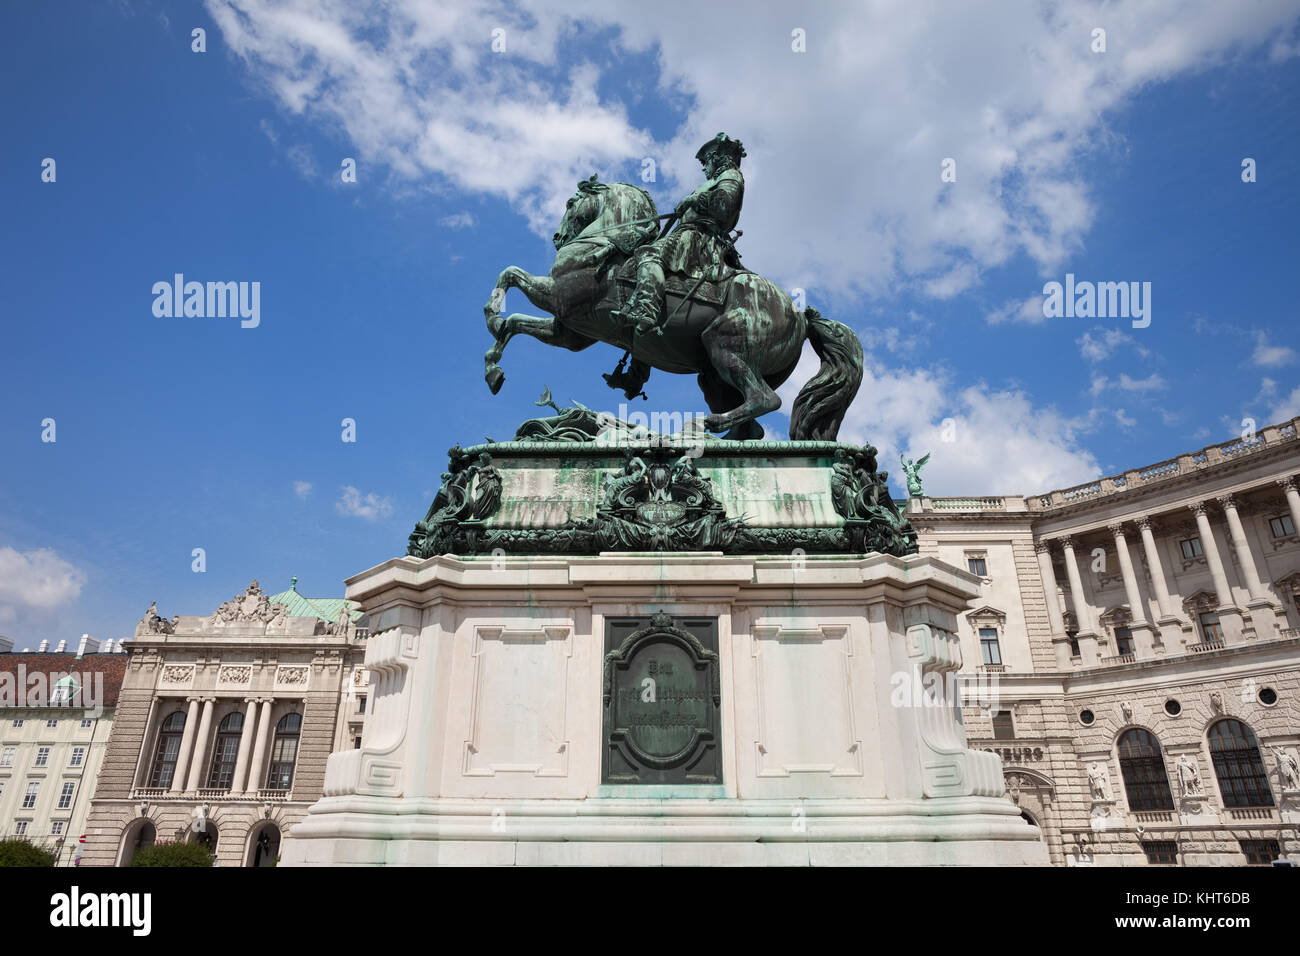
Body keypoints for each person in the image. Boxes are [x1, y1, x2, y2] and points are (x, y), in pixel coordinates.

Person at [614, 132, 746, 337]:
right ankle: (639, 365)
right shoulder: (715, 180)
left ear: (717, 159)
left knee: (649, 254)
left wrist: (693, 201)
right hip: (687, 234)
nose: (703, 168)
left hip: (698, 237)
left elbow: (724, 205)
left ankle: (647, 310)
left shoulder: (730, 175)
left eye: (705, 162)